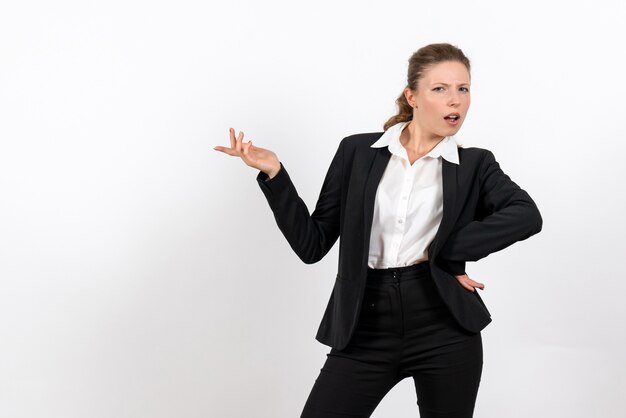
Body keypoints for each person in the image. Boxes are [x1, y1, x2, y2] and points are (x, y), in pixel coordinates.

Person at [214, 43, 542, 418]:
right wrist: (274, 173)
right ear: (412, 96)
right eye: (440, 89)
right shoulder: (357, 152)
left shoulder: (474, 165)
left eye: (463, 89)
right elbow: (312, 244)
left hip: (444, 326)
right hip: (364, 323)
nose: (455, 101)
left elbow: (526, 214)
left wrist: (448, 253)